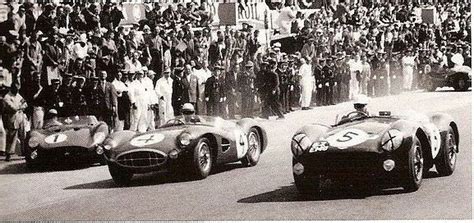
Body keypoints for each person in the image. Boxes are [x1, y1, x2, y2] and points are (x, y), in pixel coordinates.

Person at [2, 81, 28, 161]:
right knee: (12, 136)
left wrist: (20, 106)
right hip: (12, 117)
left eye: (18, 89)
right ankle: (8, 154)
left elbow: (25, 104)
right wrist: (20, 106)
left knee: (24, 135)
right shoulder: (7, 97)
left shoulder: (18, 95)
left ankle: (25, 152)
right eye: (15, 89)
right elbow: (13, 108)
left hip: (21, 116)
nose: (17, 90)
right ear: (11, 88)